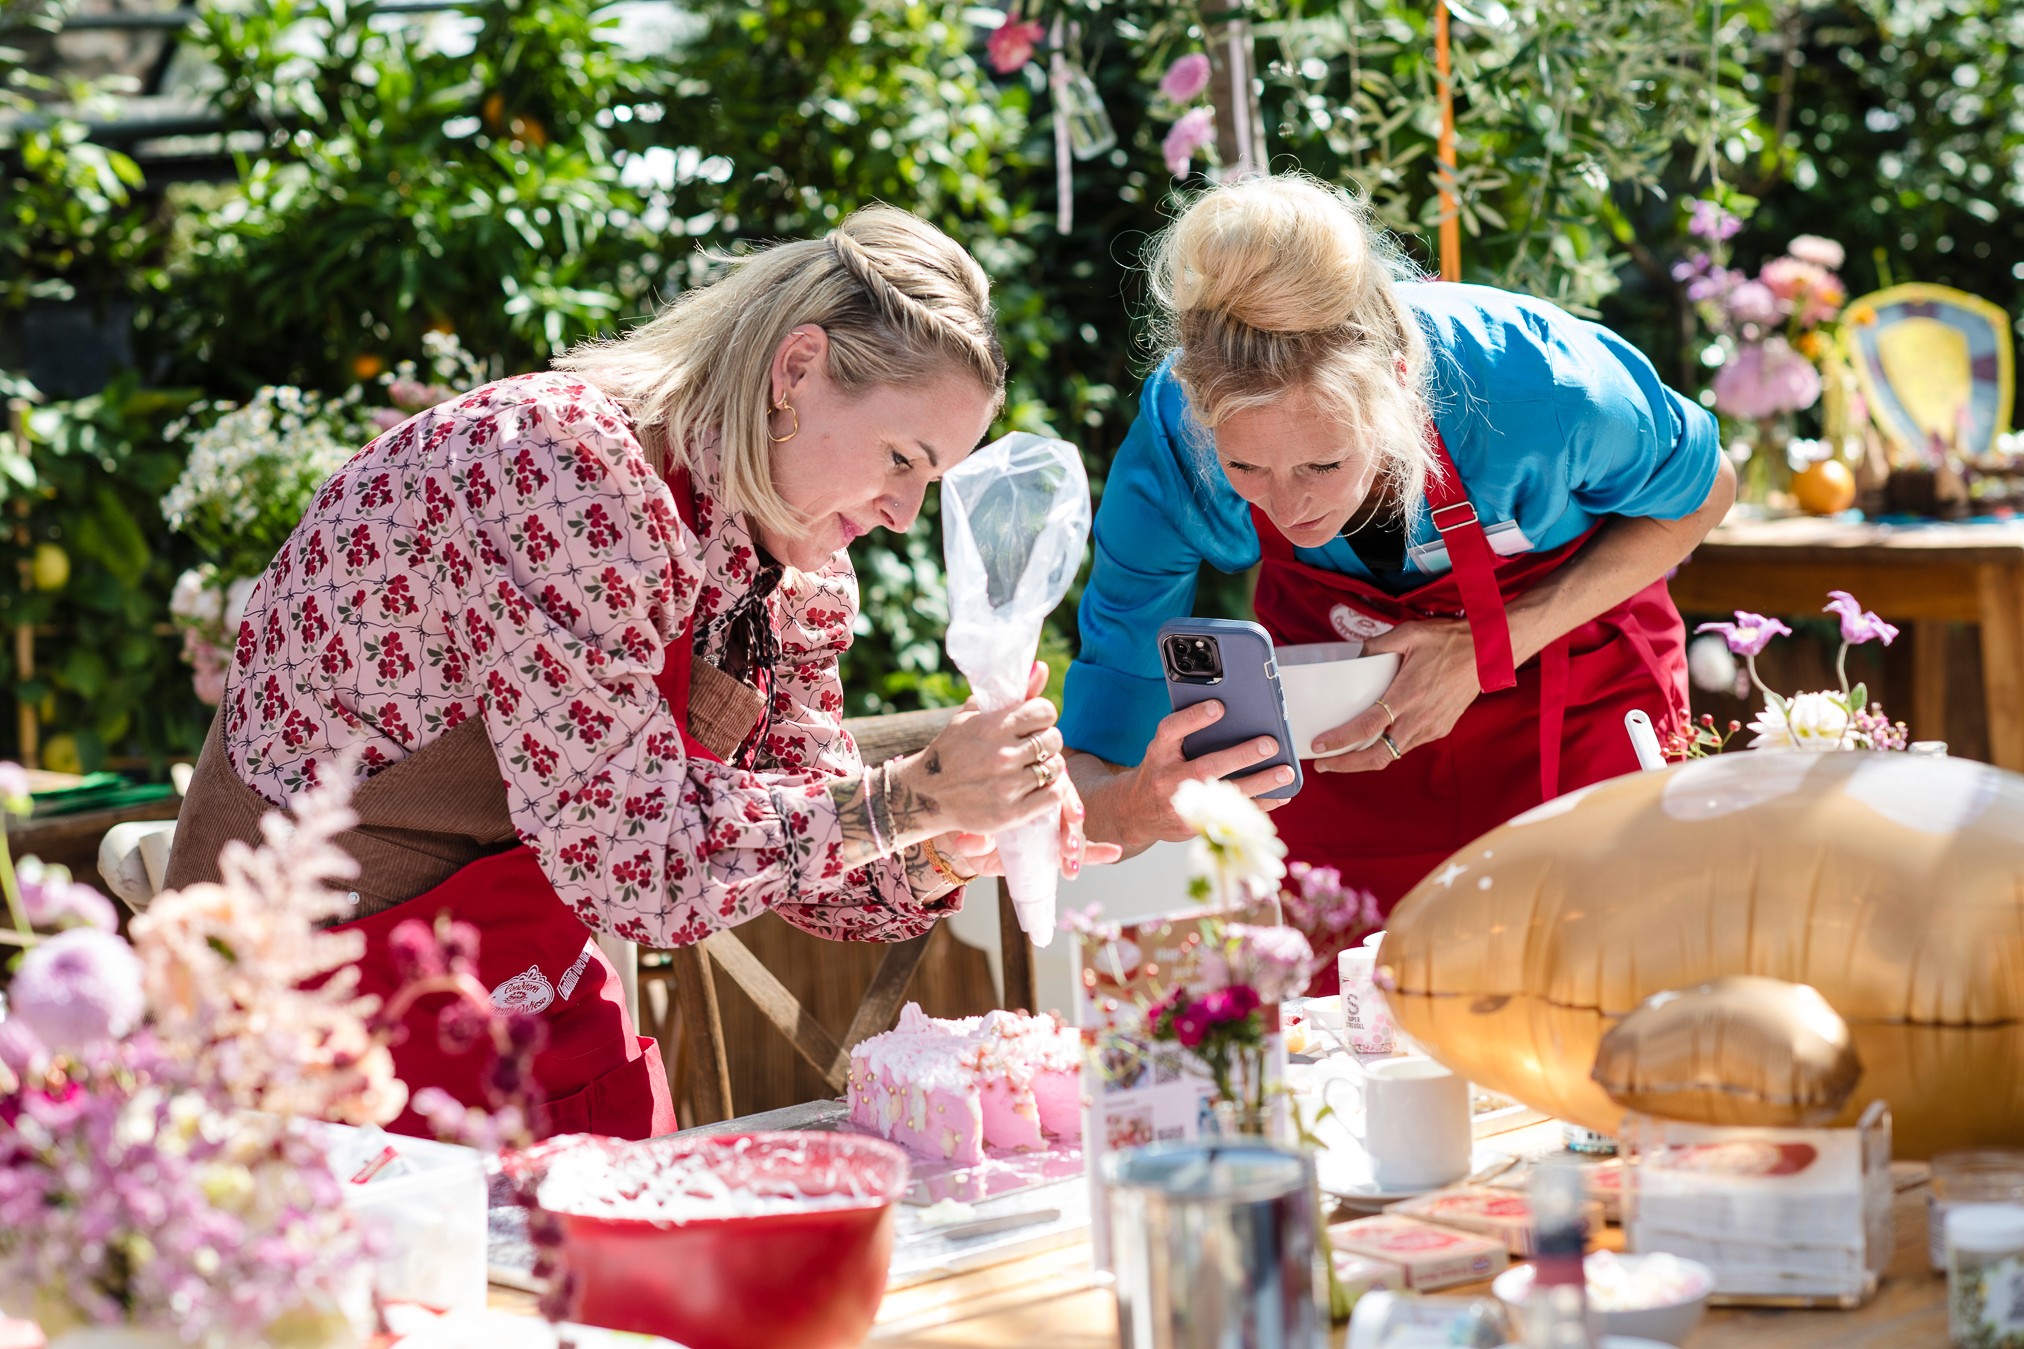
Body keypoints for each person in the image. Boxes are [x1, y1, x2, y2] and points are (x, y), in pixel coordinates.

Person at [166, 205, 1111, 1139]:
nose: (903, 513)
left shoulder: (797, 567)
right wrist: (913, 795)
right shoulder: (560, 467)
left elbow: (805, 856)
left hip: (512, 971)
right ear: (796, 369)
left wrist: (950, 836)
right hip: (304, 1009)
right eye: (900, 458)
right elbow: (634, 861)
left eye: (927, 482)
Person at [1064, 174, 1735, 963]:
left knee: (1601, 977)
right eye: (1245, 468)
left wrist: (1492, 645)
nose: (1289, 506)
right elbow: (1102, 743)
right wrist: (1133, 807)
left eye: (1323, 463)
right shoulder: (1174, 439)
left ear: (1398, 383)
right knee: (1352, 998)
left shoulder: (1542, 385)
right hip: (1345, 752)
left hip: (1573, 697)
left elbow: (1707, 490)